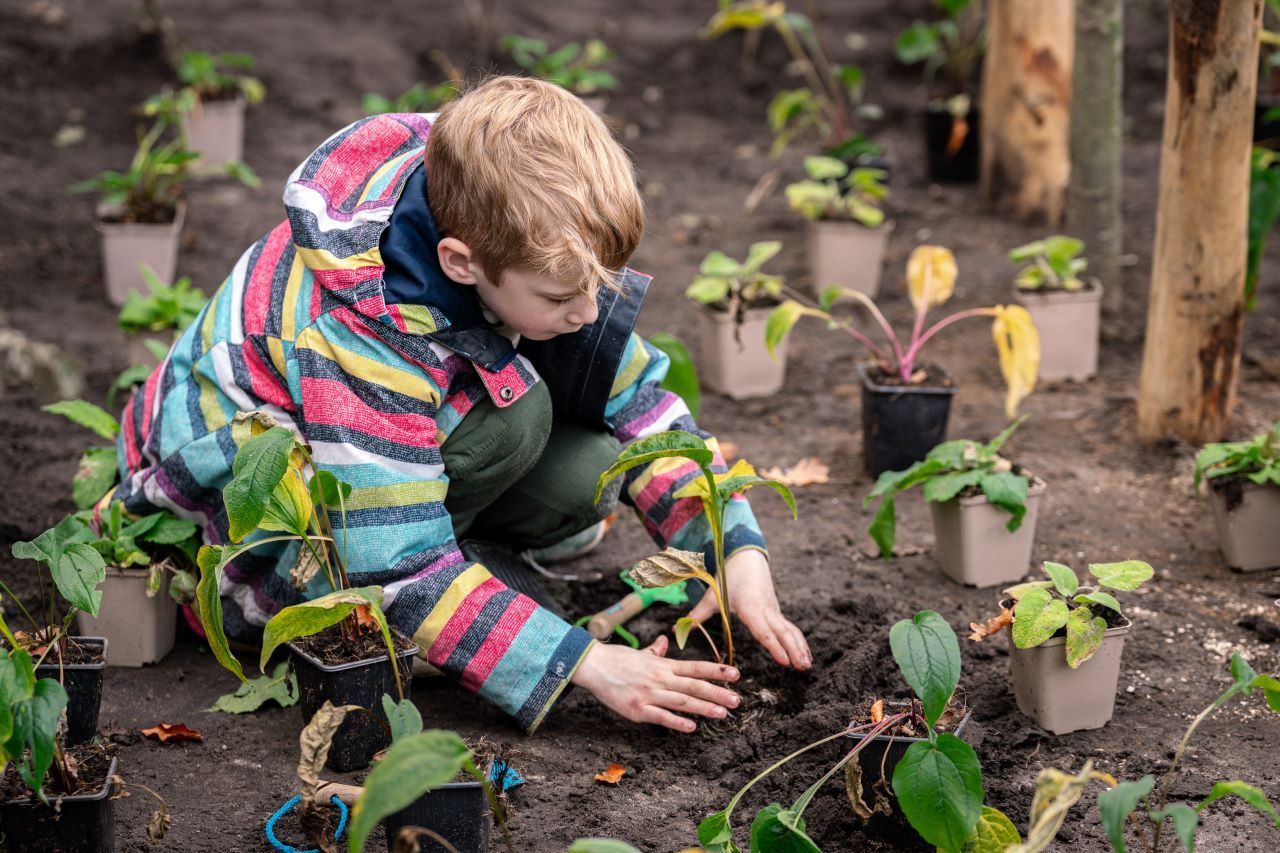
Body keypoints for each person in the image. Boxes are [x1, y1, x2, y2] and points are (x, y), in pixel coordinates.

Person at [112, 75, 810, 734]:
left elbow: (639, 404)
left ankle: (469, 577)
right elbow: (396, 565)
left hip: (373, 450)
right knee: (514, 426)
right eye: (562, 297)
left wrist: (732, 548)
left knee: (590, 467)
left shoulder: (501, 205)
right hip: (243, 527)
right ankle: (454, 593)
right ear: (459, 262)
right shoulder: (363, 331)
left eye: (600, 285)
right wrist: (590, 664)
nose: (590, 312)